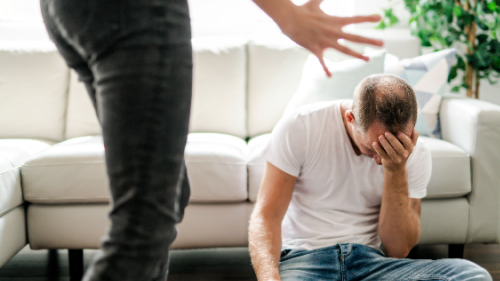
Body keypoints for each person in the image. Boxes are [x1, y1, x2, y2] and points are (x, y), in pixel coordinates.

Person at [40, 0, 383, 280]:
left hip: (72, 12)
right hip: (133, 12)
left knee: (171, 193)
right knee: (142, 223)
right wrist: (286, 13)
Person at [248, 74, 492, 281]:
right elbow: (266, 215)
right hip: (305, 260)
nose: (381, 158)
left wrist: (396, 170)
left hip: (372, 264)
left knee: (471, 274)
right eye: (373, 149)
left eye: (396, 144)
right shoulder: (301, 126)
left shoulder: (413, 152)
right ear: (351, 118)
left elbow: (398, 250)